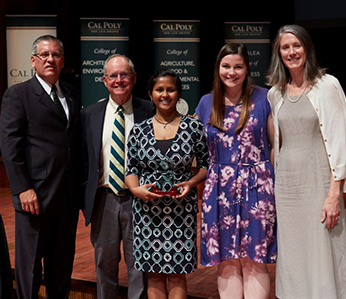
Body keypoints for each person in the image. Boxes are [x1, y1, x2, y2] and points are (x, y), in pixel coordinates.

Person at [0, 35, 83, 298]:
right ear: (33, 61)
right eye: (44, 55)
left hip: (66, 199)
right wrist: (22, 188)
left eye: (56, 55)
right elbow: (10, 146)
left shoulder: (70, 92)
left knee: (61, 268)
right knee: (30, 269)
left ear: (62, 61)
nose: (50, 59)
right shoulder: (18, 94)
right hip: (33, 199)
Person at [266, 24, 346, 299]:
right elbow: (279, 144)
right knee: (294, 255)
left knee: (323, 251)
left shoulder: (328, 85)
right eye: (285, 47)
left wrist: (335, 193)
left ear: (307, 48)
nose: (291, 52)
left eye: (296, 45)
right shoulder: (275, 93)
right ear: (279, 53)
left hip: (319, 184)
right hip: (288, 189)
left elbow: (340, 140)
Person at [195, 43, 277, 299]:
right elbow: (196, 152)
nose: (232, 72)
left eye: (238, 66)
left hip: (258, 187)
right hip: (219, 190)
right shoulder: (207, 102)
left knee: (255, 259)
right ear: (218, 68)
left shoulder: (265, 98)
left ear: (247, 69)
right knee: (226, 260)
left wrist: (275, 186)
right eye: (226, 66)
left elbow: (276, 145)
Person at [125, 69, 209, 299]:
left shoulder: (193, 127)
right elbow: (131, 169)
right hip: (146, 211)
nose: (165, 94)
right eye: (159, 90)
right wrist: (135, 189)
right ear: (151, 94)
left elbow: (205, 165)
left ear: (179, 93)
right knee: (152, 273)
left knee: (177, 273)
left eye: (170, 89)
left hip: (181, 211)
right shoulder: (138, 131)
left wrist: (191, 183)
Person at [81, 54, 153, 298]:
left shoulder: (149, 110)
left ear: (133, 78)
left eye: (124, 75)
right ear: (104, 80)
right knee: (104, 264)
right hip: (103, 200)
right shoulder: (89, 114)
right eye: (113, 75)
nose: (119, 80)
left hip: (140, 200)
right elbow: (84, 161)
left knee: (139, 266)